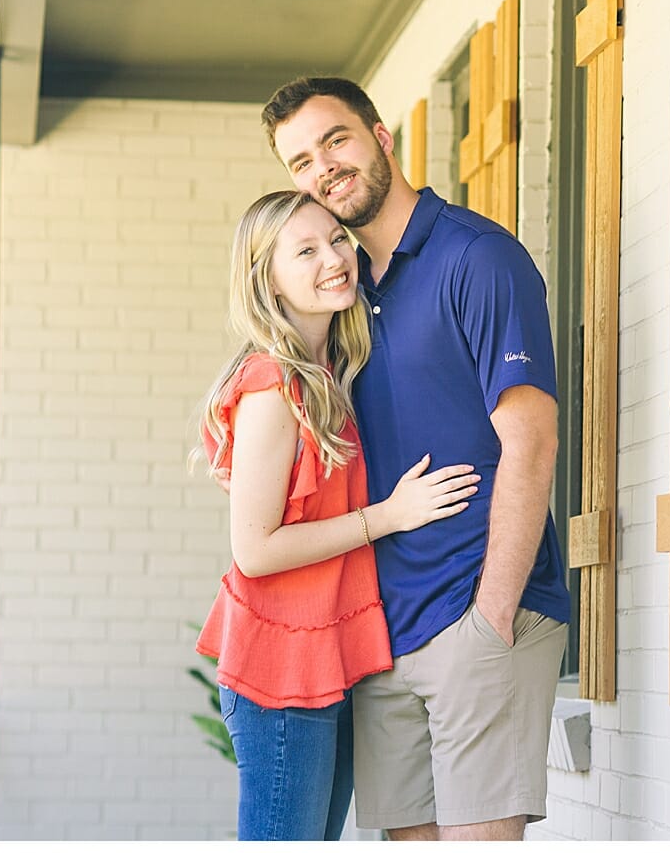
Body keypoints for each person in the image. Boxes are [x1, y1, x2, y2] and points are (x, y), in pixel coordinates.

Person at [260, 76, 572, 841]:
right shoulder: (341, 292)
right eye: (301, 161)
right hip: (384, 638)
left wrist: (492, 614)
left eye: (335, 140)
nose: (324, 168)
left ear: (381, 137)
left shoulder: (477, 257)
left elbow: (532, 440)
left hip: (478, 613)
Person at [192, 190, 480, 842]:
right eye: (306, 251)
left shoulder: (330, 377)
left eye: (337, 239)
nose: (334, 258)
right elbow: (255, 551)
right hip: (281, 664)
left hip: (330, 657)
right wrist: (389, 516)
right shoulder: (274, 384)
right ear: (267, 280)